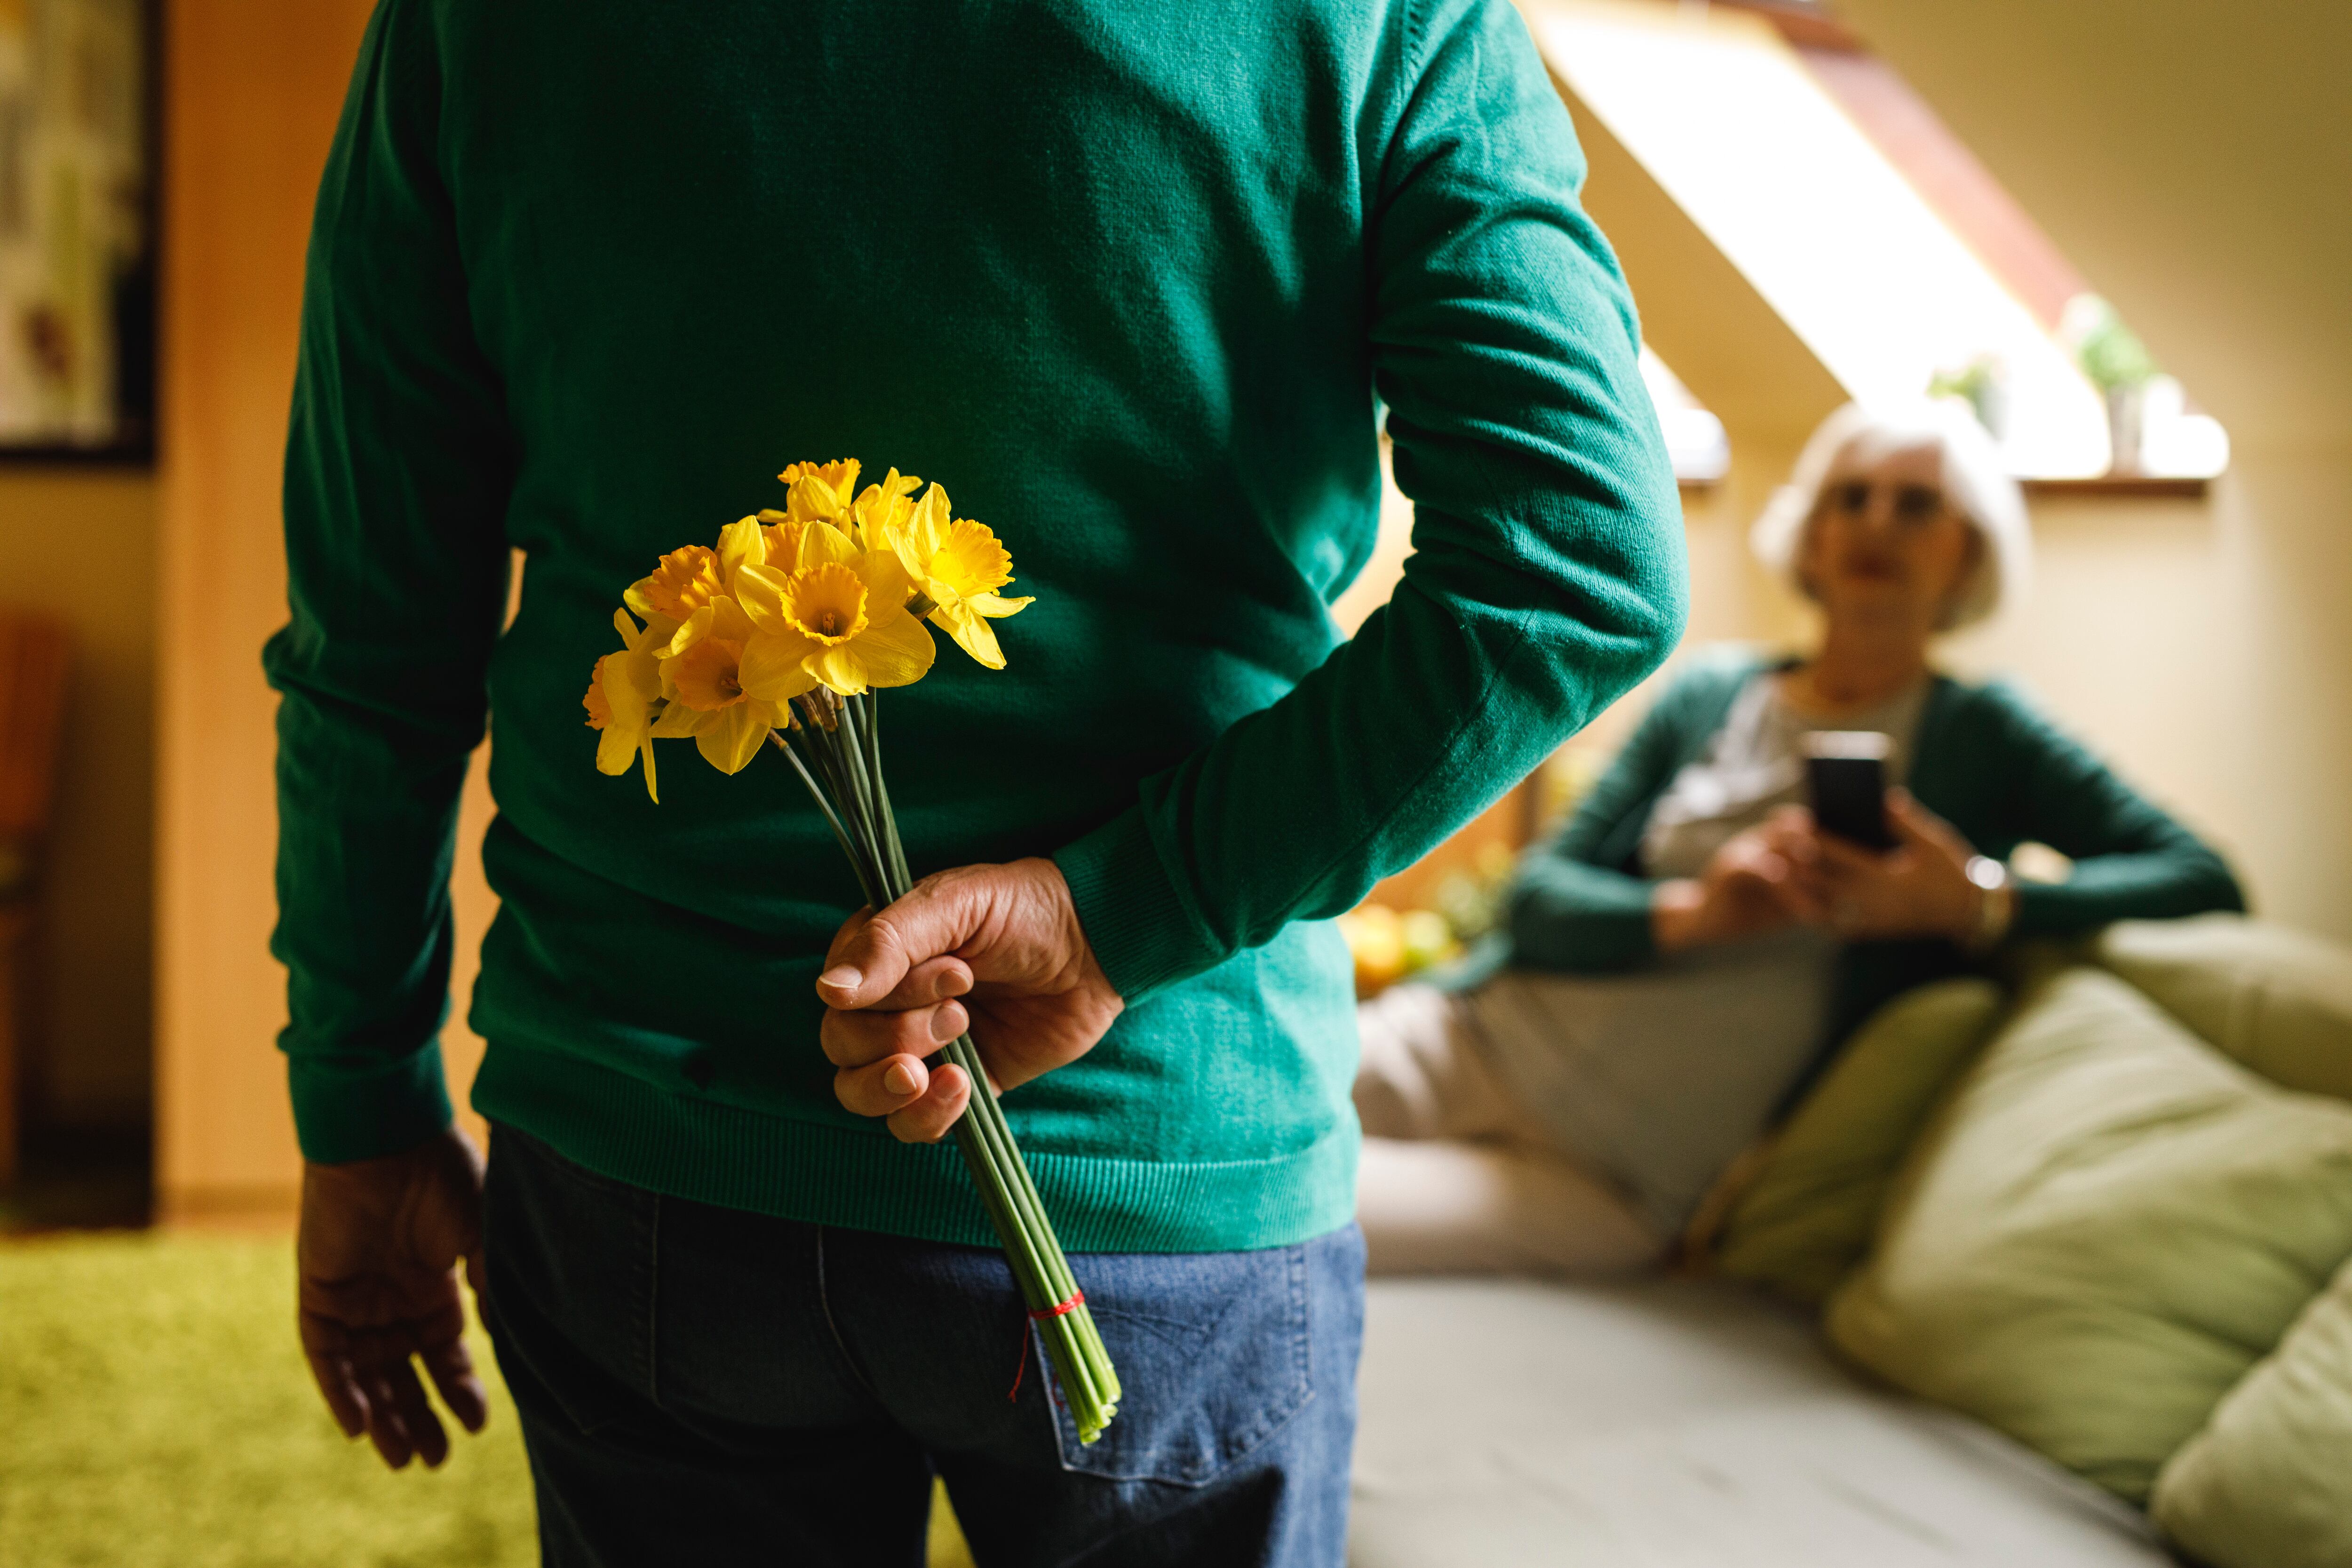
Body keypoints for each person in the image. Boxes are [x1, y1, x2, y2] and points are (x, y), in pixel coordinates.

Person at [270, 3, 1687, 1564]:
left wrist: (361, 1106)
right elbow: (1582, 560)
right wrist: (1117, 915)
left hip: (651, 1163)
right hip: (1164, 1164)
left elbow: (375, 648)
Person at [1352, 400, 2245, 1278]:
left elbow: (2204, 880)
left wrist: (1978, 901)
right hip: (1471, 1041)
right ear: (1810, 539)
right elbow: (1536, 899)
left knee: (1290, 1208)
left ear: (1968, 552)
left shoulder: (1988, 736)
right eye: (1849, 498)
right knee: (1223, 1117)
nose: (1876, 524)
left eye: (1917, 503)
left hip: (1612, 1180)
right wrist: (1696, 912)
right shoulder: (1708, 695)